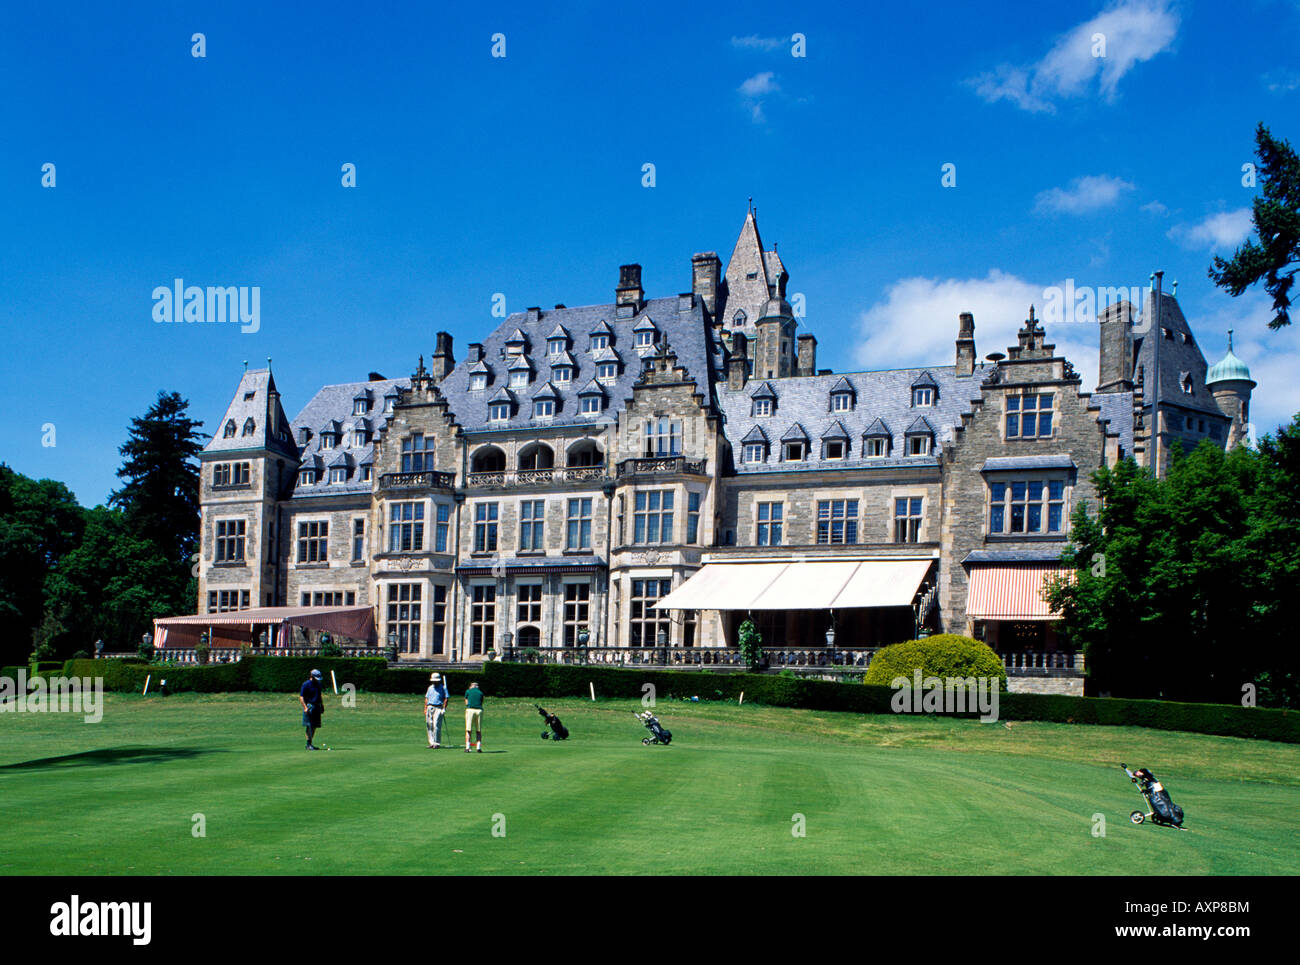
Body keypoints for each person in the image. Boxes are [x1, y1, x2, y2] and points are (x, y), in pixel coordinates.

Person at [300, 668, 324, 750]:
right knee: (309, 726)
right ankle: (308, 744)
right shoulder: (306, 684)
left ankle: (310, 743)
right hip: (309, 706)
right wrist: (305, 707)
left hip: (317, 706)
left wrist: (322, 705)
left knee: (315, 726)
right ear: (312, 676)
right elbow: (301, 697)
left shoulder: (318, 684)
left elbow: (319, 696)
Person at [424, 672, 448, 748]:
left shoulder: (443, 688)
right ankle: (431, 742)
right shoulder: (430, 688)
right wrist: (425, 708)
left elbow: (446, 698)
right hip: (430, 707)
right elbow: (426, 698)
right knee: (429, 725)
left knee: (436, 725)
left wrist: (444, 708)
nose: (434, 682)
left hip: (439, 707)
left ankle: (437, 743)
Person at [465, 680, 484, 753]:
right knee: (478, 730)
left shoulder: (468, 691)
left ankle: (467, 747)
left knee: (468, 730)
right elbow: (481, 702)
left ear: (471, 686)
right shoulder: (480, 692)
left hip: (470, 710)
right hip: (479, 710)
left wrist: (468, 706)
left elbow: (466, 701)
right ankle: (478, 748)